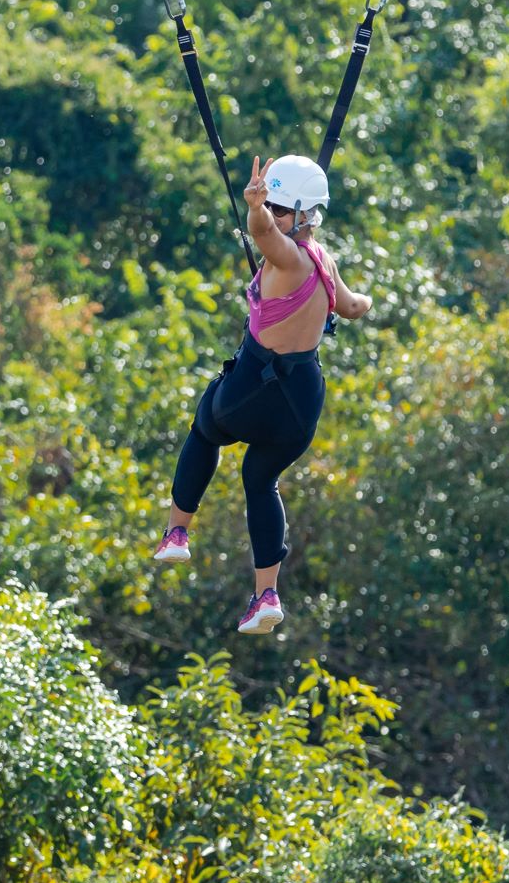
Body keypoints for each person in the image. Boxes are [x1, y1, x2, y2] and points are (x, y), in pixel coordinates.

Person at [155, 153, 372, 634]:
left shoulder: (287, 256)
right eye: (270, 207)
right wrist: (367, 299)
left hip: (255, 386)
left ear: (304, 214)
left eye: (280, 208)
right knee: (259, 476)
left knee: (206, 428)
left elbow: (264, 234)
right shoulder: (324, 260)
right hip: (302, 403)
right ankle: (265, 595)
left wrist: (255, 209)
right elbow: (352, 307)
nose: (272, 215)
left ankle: (176, 532)